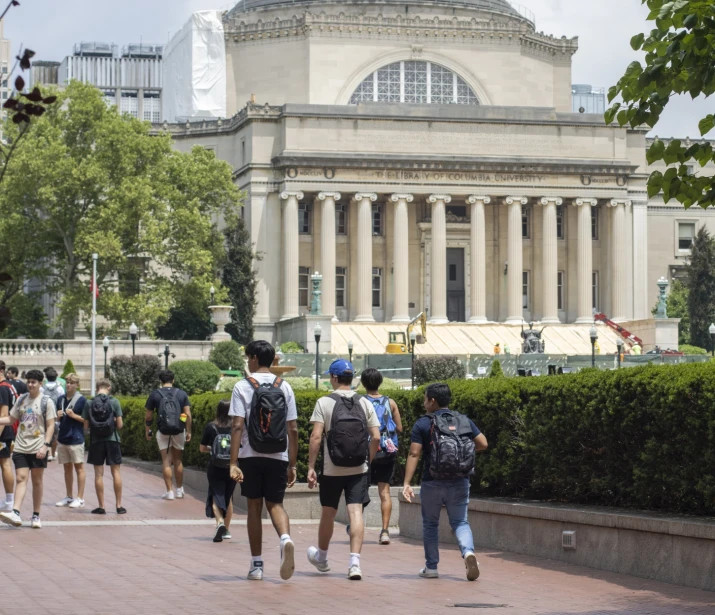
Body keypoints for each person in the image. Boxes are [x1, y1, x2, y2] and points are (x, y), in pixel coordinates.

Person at [403, 382, 488, 581]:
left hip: (432, 481)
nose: (424, 403)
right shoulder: (463, 420)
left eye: (425, 399)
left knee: (431, 524)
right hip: (460, 480)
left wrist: (407, 482)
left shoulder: (423, 423)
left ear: (432, 401)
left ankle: (431, 567)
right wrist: (460, 455)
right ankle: (468, 553)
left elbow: (414, 453)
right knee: (460, 521)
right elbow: (483, 443)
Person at [229, 340, 299, 581]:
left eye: (249, 357)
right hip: (278, 455)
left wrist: (233, 462)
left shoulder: (242, 386)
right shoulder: (285, 387)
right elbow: (293, 428)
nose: (248, 361)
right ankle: (285, 539)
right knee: (276, 504)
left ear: (256, 358)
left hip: (250, 455)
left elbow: (237, 425)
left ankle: (256, 565)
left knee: (254, 507)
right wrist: (292, 464)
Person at [306, 359, 380, 581]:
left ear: (335, 378)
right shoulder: (364, 403)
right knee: (355, 511)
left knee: (328, 512)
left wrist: (310, 466)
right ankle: (354, 563)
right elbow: (376, 436)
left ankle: (322, 557)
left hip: (331, 469)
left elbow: (316, 437)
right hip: (358, 468)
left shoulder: (324, 402)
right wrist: (368, 459)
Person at [0, 369, 56, 529]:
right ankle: (15, 513)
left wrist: (46, 446)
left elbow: (51, 425)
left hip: (38, 447)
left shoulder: (46, 401)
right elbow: (11, 419)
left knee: (37, 481)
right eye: (29, 381)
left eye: (34, 382)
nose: (30, 385)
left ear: (40, 384)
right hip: (21, 446)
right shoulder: (21, 399)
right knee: (20, 478)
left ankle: (36, 514)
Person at [360, 367, 402, 545]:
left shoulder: (360, 402)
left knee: (359, 490)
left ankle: (356, 527)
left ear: (363, 383)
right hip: (386, 451)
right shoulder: (390, 402)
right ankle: (385, 531)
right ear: (380, 382)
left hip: (366, 451)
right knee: (385, 492)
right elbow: (399, 428)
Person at [144, 370, 192, 500]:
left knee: (166, 461)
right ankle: (179, 490)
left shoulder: (155, 394)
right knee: (178, 460)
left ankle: (169, 491)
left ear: (161, 381)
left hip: (163, 430)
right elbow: (187, 414)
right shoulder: (181, 394)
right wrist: (187, 430)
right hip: (178, 430)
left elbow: (149, 415)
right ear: (173, 380)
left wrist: (147, 430)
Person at [83, 379, 125, 515]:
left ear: (97, 388)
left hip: (96, 441)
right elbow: (120, 425)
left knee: (98, 475)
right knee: (116, 472)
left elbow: (85, 426)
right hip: (113, 440)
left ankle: (101, 506)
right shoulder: (114, 402)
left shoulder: (89, 402)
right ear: (109, 387)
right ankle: (119, 506)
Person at [199, 399, 237, 543]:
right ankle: (226, 530)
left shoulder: (211, 427)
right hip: (232, 466)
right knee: (229, 497)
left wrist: (212, 449)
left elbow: (202, 448)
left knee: (216, 495)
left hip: (215, 467)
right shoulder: (236, 426)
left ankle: (219, 522)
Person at [54, 373, 87, 509]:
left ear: (77, 385)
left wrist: (75, 416)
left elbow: (86, 421)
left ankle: (80, 498)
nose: (68, 385)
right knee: (66, 468)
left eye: (72, 382)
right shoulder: (60, 399)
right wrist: (58, 416)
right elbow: (57, 419)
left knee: (79, 468)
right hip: (63, 437)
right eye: (67, 382)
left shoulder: (82, 400)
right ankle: (69, 496)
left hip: (76, 438)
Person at [0, 361, 18, 513]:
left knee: (5, 464)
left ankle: (9, 501)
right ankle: (8, 500)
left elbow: (3, 415)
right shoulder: (8, 386)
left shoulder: (2, 388)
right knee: (5, 463)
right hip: (7, 431)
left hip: (3, 432)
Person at [42, 367, 64, 461]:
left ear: (46, 377)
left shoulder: (42, 388)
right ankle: (53, 453)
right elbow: (61, 402)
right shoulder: (59, 388)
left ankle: (49, 453)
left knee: (46, 433)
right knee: (55, 435)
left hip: (45, 414)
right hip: (55, 415)